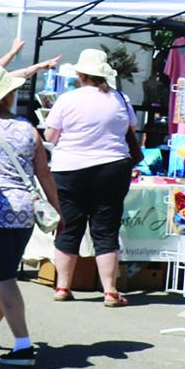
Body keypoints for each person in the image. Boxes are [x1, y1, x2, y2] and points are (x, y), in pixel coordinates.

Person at [0, 66, 57, 367]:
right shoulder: (28, 129)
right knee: (6, 272)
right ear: (9, 95)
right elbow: (44, 173)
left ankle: (23, 345)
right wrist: (57, 208)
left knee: (3, 276)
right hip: (24, 209)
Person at [43, 48, 141, 307]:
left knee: (69, 226)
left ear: (79, 74)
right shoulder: (121, 98)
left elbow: (50, 136)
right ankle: (110, 290)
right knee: (106, 229)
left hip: (70, 167)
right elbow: (130, 129)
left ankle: (62, 286)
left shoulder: (68, 99)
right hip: (112, 167)